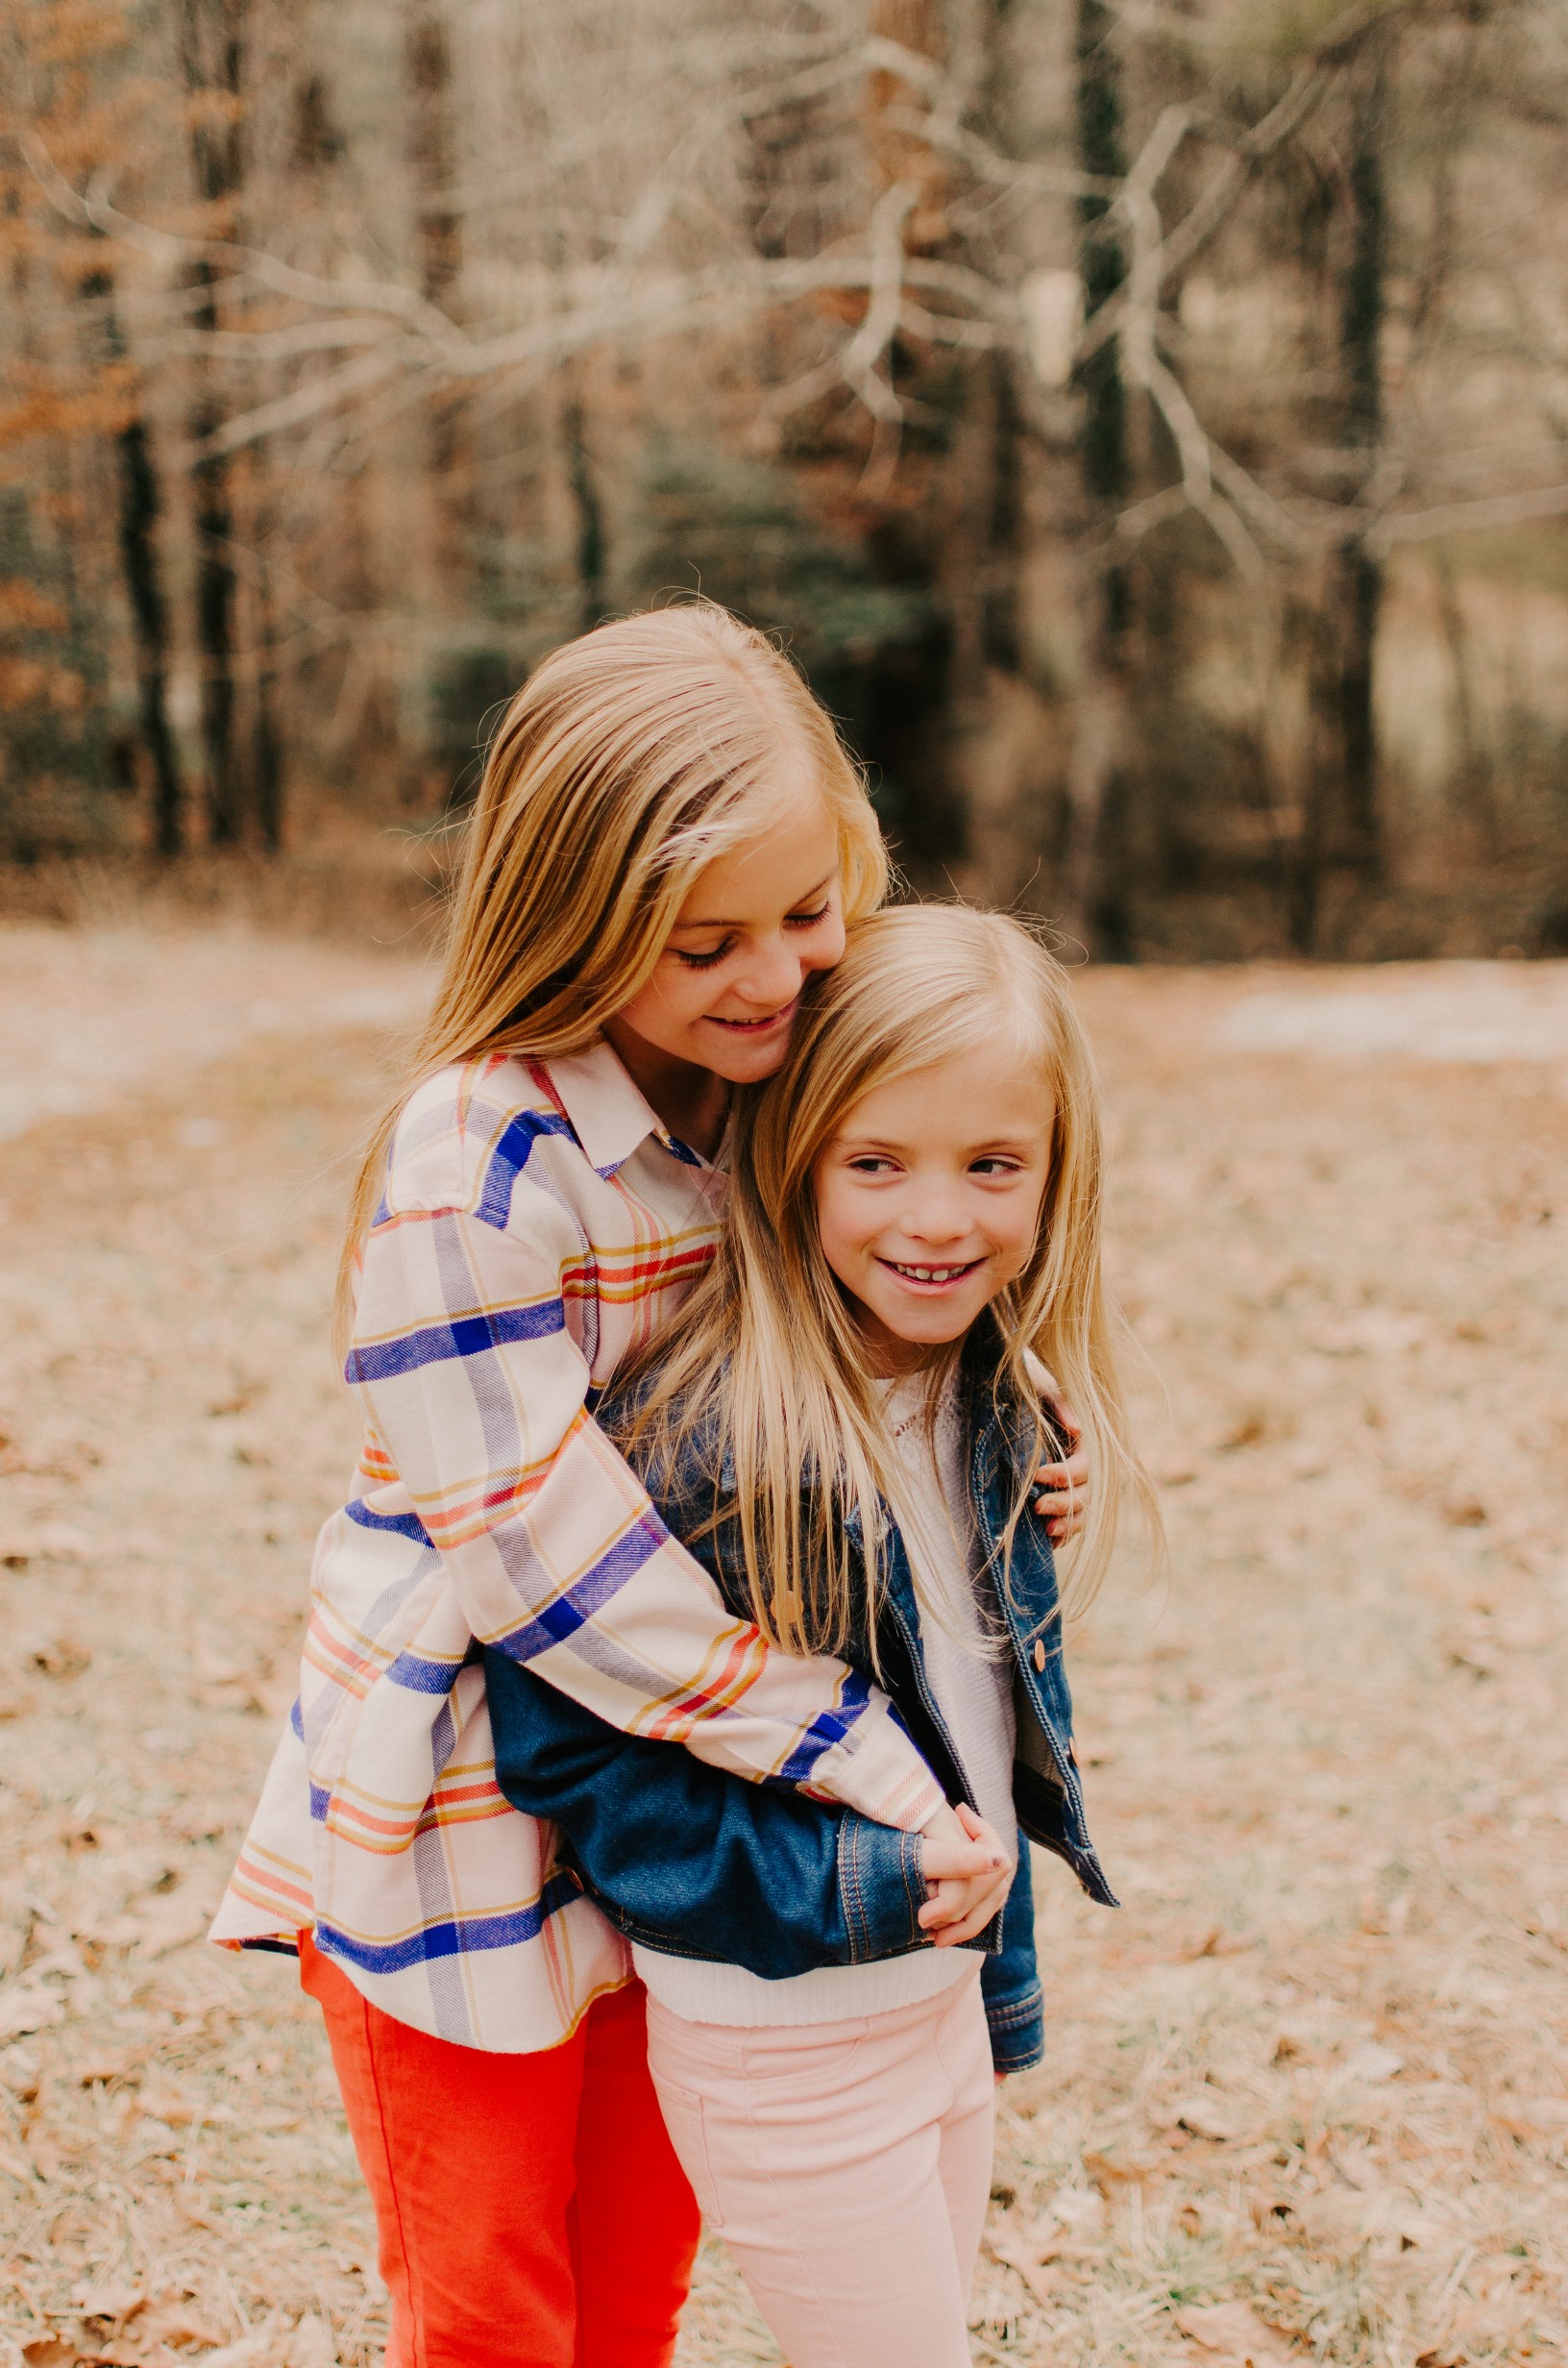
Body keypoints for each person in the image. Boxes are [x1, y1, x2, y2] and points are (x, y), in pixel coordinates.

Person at [208, 606, 1090, 2368]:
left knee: (636, 2286)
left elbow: (883, 1266)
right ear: (575, 916)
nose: (779, 970)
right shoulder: (475, 1167)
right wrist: (853, 1748)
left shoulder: (761, 1086)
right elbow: (552, 1579)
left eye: (810, 911)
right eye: (706, 940)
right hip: (470, 1825)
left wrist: (995, 1414)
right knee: (497, 2313)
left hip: (683, 1828)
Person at [488, 902, 1159, 2368]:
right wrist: (857, 1881)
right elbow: (581, 1766)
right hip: (784, 2036)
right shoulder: (699, 1437)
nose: (938, 1220)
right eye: (877, 1163)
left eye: (993, 1166)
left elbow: (972, 1681)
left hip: (942, 2003)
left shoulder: (986, 1390)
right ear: (792, 1160)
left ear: (1058, 1176)